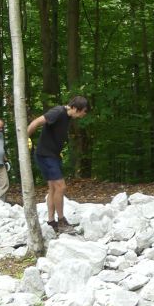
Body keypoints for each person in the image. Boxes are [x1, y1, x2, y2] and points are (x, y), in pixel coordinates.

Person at [27, 95, 89, 232]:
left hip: (52, 155)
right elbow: (36, 122)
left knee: (53, 188)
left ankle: (51, 221)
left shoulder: (67, 117)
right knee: (61, 186)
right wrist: (25, 139)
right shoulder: (58, 112)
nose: (83, 115)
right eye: (82, 112)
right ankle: (61, 222)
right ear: (74, 108)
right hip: (45, 155)